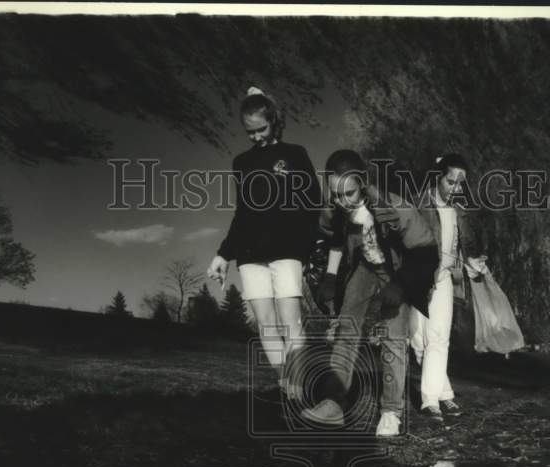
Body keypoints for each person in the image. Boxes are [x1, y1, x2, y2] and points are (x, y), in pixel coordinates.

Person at [301, 150, 439, 437]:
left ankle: (391, 411)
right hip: (363, 266)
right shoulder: (333, 208)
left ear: (363, 183)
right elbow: (335, 240)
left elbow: (425, 252)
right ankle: (333, 402)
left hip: (397, 269)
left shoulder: (397, 208)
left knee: (394, 334)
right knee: (347, 328)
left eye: (349, 193)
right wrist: (328, 276)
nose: (342, 201)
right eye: (336, 194)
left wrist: (399, 286)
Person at [206, 87, 322, 396]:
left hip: (287, 251)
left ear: (274, 121)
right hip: (249, 254)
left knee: (291, 324)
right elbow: (242, 213)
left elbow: (313, 204)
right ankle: (289, 389)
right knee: (266, 326)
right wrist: (222, 255)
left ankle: (300, 388)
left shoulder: (295, 154)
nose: (256, 136)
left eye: (262, 129)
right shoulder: (241, 162)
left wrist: (308, 247)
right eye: (250, 132)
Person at [409, 153, 491, 423]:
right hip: (420, 277)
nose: (456, 187)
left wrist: (471, 263)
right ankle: (444, 392)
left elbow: (458, 248)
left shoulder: (459, 212)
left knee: (439, 337)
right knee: (418, 341)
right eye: (451, 181)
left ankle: (430, 400)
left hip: (444, 278)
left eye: (460, 183)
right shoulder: (420, 203)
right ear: (438, 177)